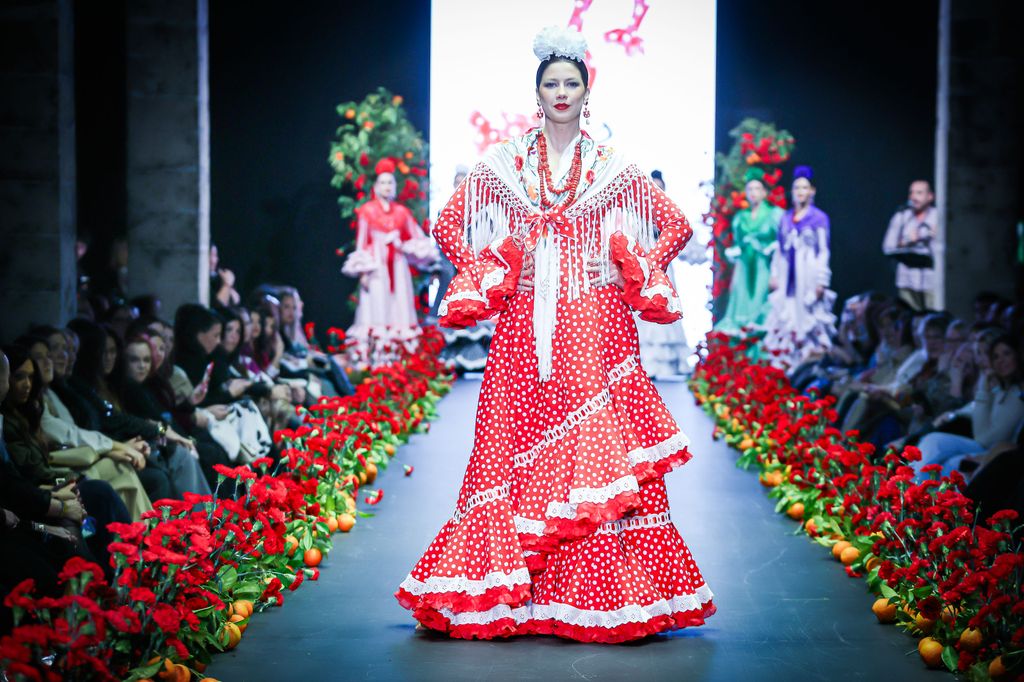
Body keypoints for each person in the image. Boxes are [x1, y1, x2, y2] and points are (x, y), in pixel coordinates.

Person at [395, 26, 715, 643]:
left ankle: (601, 598)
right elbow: (448, 223)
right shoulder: (507, 160)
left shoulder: (609, 163)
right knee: (513, 442)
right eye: (551, 83)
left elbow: (673, 226)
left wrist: (624, 262)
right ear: (536, 93)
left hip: (594, 325)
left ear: (586, 90)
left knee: (595, 461)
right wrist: (495, 267)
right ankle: (513, 592)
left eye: (571, 83)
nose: (561, 92)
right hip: (523, 325)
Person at [341, 161, 438, 366]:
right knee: (376, 308)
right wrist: (363, 273)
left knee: (399, 307)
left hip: (397, 267)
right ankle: (372, 362)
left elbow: (419, 240)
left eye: (390, 182)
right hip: (376, 267)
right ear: (376, 186)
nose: (386, 186)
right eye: (383, 182)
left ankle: (399, 363)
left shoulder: (402, 213)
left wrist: (401, 244)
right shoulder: (367, 211)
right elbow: (361, 244)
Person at [914, 335, 1024, 480]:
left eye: (1006, 353)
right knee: (934, 443)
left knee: (947, 456)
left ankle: (911, 495)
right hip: (984, 445)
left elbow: (984, 439)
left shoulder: (1018, 393)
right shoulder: (1001, 388)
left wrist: (984, 389)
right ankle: (909, 492)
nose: (1000, 360)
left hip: (999, 451)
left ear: (1017, 355)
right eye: (996, 356)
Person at [762, 166, 836, 369]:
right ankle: (785, 365)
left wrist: (822, 279)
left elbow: (823, 250)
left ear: (812, 191)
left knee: (808, 317)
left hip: (808, 273)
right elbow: (779, 249)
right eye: (797, 188)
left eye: (805, 188)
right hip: (788, 274)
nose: (801, 192)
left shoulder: (819, 218)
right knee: (786, 315)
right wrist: (774, 274)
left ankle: (808, 367)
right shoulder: (785, 218)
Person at [716, 170, 782, 333]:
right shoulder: (741, 217)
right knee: (740, 306)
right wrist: (734, 278)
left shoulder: (774, 215)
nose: (753, 193)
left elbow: (781, 247)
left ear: (764, 192)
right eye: (750, 189)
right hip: (744, 267)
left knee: (760, 303)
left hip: (763, 266)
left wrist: (776, 274)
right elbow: (738, 247)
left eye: (757, 189)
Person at [882, 180, 938, 310]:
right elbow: (887, 247)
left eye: (919, 193)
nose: (913, 197)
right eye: (911, 193)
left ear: (930, 196)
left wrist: (934, 237)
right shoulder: (901, 216)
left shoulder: (938, 217)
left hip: (931, 280)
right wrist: (908, 241)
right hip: (907, 280)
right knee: (909, 318)